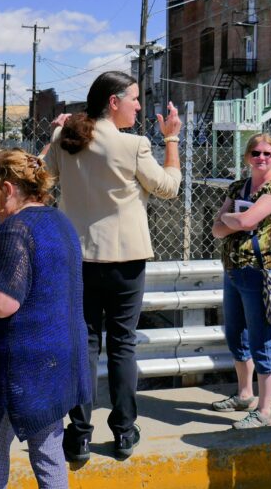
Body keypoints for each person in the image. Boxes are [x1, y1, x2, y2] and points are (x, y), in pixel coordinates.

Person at [44, 71, 181, 463]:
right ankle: (123, 431)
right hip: (125, 260)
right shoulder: (134, 145)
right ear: (114, 102)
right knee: (123, 344)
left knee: (85, 344)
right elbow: (169, 187)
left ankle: (80, 434)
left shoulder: (65, 140)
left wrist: (54, 134)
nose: (139, 105)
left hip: (78, 259)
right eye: (134, 99)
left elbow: (39, 177)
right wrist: (171, 139)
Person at [0, 149, 90, 489]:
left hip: (18, 371)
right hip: (58, 362)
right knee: (50, 456)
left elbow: (3, 302)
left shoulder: (16, 230)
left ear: (7, 188)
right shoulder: (61, 222)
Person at [210, 133, 271, 428]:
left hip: (260, 272)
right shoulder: (237, 186)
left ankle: (265, 409)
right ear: (247, 157)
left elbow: (242, 222)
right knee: (236, 335)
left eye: (268, 153)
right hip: (233, 269)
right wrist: (236, 220)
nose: (261, 158)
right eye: (256, 153)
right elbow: (217, 229)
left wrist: (232, 219)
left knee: (261, 340)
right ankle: (244, 394)